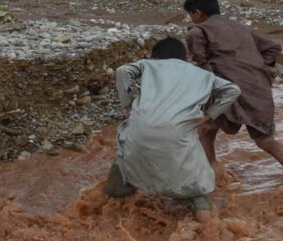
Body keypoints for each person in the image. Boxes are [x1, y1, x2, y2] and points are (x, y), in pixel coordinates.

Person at [102, 37, 241, 224]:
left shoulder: (148, 65)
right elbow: (233, 90)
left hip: (140, 128)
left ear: (155, 57)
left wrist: (128, 106)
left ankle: (111, 216)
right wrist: (209, 116)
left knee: (125, 157)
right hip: (178, 132)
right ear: (185, 58)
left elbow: (122, 71)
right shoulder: (201, 74)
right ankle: (210, 232)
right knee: (197, 185)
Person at [183, 0, 283, 180]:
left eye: (191, 15)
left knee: (206, 130)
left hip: (226, 91)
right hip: (258, 90)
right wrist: (259, 69)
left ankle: (213, 175)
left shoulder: (197, 31)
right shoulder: (241, 28)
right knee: (266, 141)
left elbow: (203, 67)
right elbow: (273, 49)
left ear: (197, 13)